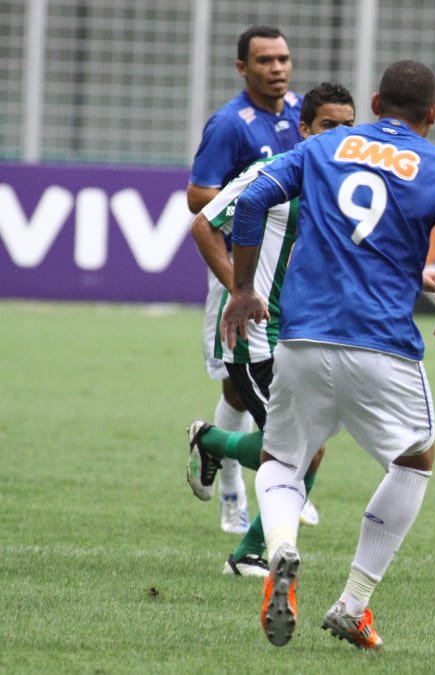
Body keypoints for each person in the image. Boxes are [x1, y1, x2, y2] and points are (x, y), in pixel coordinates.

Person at [221, 59, 435, 650]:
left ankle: (280, 545)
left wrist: (242, 289)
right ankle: (353, 603)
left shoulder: (324, 146)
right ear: (433, 114)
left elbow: (251, 201)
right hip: (382, 345)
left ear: (374, 104)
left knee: (281, 459)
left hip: (302, 338)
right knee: (414, 461)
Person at [185, 82, 357, 578]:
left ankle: (212, 441)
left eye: (348, 127)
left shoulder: (346, 186)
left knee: (300, 447)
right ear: (304, 129)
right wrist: (239, 290)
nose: (338, 136)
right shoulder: (271, 174)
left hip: (304, 336)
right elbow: (203, 224)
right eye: (327, 126)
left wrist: (418, 276)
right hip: (256, 337)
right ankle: (247, 553)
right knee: (304, 450)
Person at [187, 25, 303, 535]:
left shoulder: (301, 112)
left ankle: (280, 476)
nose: (277, 68)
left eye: (283, 59)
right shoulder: (230, 124)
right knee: (240, 388)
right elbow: (199, 197)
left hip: (288, 272)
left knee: (272, 381)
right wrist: (254, 197)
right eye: (264, 60)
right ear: (242, 68)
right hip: (241, 270)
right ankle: (237, 494)